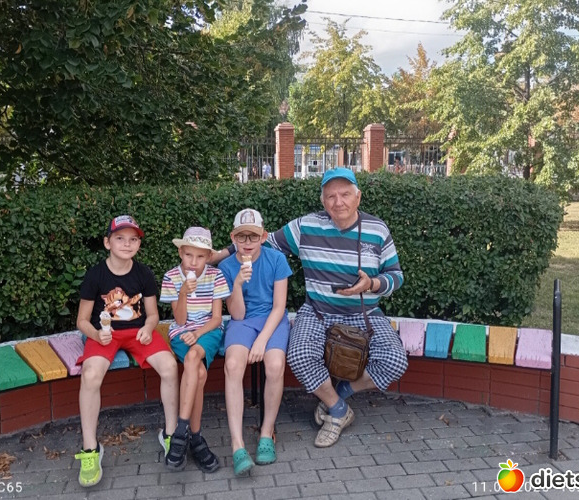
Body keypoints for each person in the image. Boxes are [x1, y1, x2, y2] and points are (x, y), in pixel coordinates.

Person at [213, 168, 408, 448]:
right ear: (322, 200)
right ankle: (338, 410)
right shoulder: (305, 227)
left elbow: (396, 276)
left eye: (345, 194)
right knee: (299, 355)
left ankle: (339, 394)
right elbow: (258, 241)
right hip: (318, 311)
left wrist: (373, 284)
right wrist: (218, 255)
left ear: (358, 197)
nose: (338, 202)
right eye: (331, 196)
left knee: (395, 361)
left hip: (364, 313)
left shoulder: (377, 230)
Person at [75, 215, 178, 487]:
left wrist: (149, 327)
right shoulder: (95, 275)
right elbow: (82, 321)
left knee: (170, 366)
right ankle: (90, 448)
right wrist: (96, 334)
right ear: (107, 242)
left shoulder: (143, 274)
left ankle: (171, 434)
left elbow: (153, 315)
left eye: (133, 239)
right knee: (90, 375)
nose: (127, 244)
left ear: (139, 245)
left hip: (137, 332)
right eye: (120, 238)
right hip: (104, 334)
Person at [217, 208, 292, 476]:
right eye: (242, 236)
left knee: (274, 365)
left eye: (253, 236)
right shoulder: (226, 267)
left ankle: (266, 433)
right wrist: (237, 284)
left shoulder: (276, 259)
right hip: (243, 321)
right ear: (233, 237)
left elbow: (279, 307)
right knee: (233, 365)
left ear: (263, 236)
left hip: (272, 320)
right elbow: (237, 315)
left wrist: (261, 341)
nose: (247, 242)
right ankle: (237, 444)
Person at [160, 227, 230, 472]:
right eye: (189, 255)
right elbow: (180, 321)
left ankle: (180, 432)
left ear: (209, 257)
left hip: (208, 331)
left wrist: (198, 334)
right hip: (181, 332)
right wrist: (182, 293)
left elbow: (216, 318)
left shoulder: (215, 276)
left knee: (193, 357)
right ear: (181, 252)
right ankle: (196, 437)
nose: (193, 262)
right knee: (198, 373)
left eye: (200, 257)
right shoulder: (171, 277)